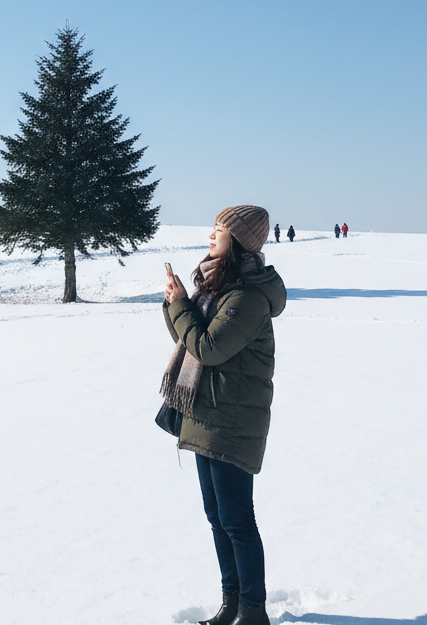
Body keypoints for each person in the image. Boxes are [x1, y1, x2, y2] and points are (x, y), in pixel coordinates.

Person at [161, 205, 287, 625]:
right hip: (207, 413)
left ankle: (253, 610)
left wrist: (181, 306)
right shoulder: (219, 285)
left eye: (219, 230)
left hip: (232, 419)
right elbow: (191, 336)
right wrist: (175, 304)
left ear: (239, 240)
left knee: (236, 520)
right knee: (217, 516)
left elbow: (209, 349)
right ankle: (231, 601)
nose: (211, 235)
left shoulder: (247, 296)